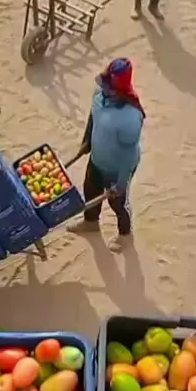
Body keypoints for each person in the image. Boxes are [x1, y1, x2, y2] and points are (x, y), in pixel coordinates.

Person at [67, 58, 145, 250]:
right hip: (97, 159)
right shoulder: (99, 95)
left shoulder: (130, 117)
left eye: (109, 87)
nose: (104, 89)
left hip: (117, 168)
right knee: (90, 190)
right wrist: (86, 142)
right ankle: (91, 222)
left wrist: (121, 183)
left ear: (120, 91)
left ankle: (125, 234)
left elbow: (128, 155)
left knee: (118, 203)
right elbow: (93, 117)